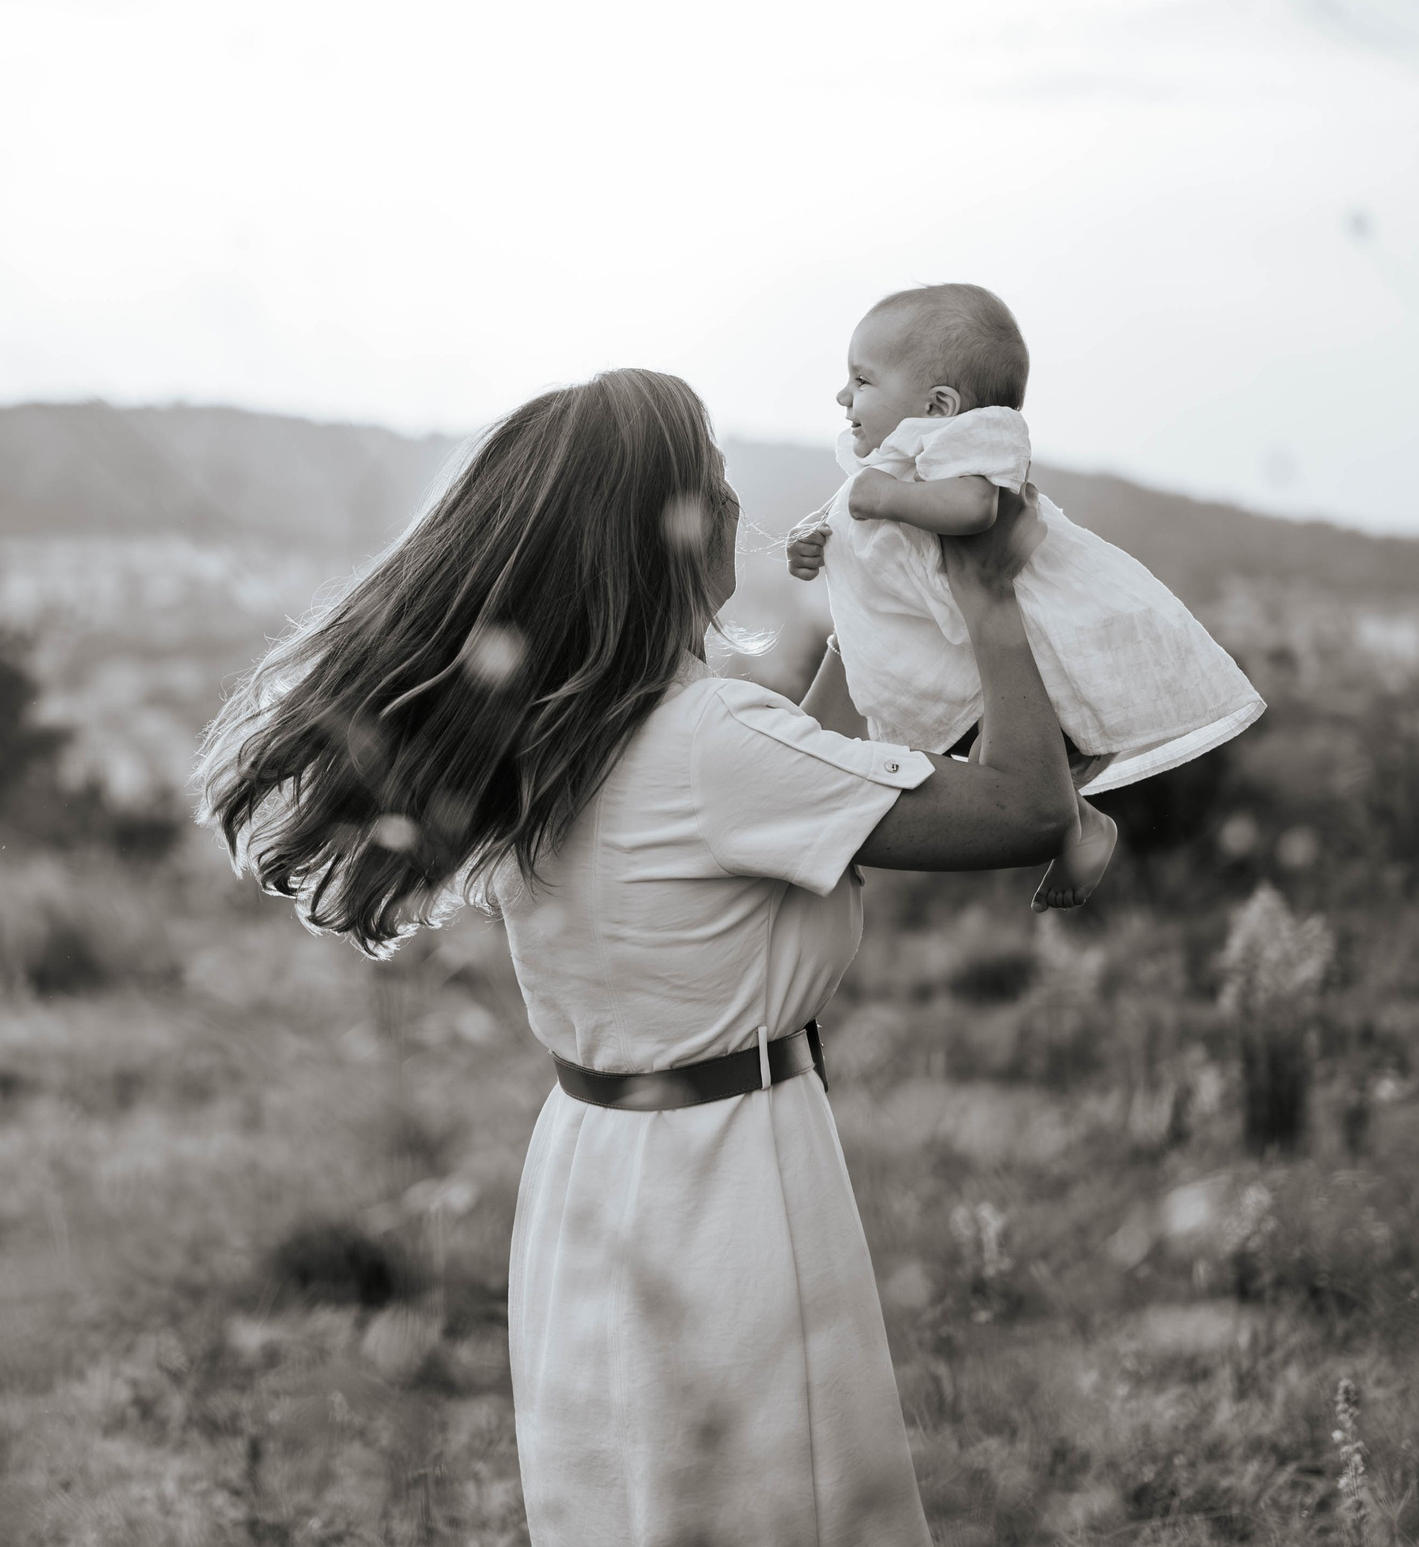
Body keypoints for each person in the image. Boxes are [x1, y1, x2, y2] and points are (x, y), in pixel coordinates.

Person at [194, 368, 1075, 1547]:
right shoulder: (714, 741)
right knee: (782, 1508)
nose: (735, 509)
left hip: (591, 1169)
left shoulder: (557, 733)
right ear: (660, 535)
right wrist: (990, 591)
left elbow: (813, 772)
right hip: (729, 1182)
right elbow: (1027, 809)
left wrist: (866, 603)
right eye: (713, 485)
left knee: (632, 1508)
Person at [787, 283, 1266, 909]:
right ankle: (1078, 819)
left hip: (1023, 637)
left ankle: (1075, 822)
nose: (843, 395)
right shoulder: (890, 459)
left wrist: (887, 498)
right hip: (957, 639)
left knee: (993, 766)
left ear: (938, 404)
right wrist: (815, 542)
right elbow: (848, 520)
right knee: (974, 764)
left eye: (862, 379)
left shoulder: (971, 438)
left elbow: (975, 507)